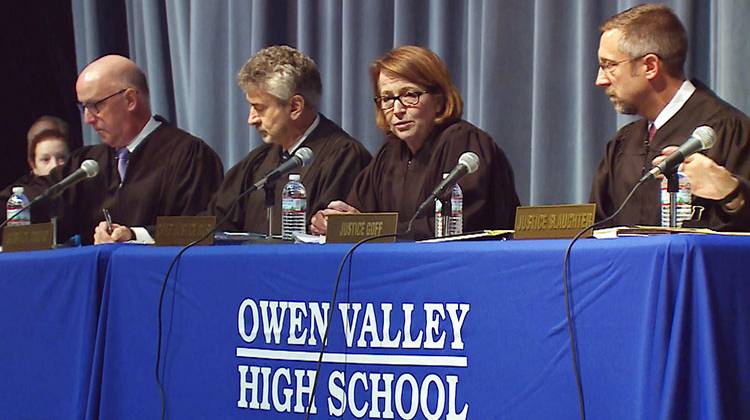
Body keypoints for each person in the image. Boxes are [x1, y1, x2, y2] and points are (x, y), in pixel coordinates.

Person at [0, 55, 224, 244]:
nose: (87, 119)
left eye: (95, 105)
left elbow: (201, 229)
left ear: (129, 100)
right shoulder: (88, 163)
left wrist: (135, 235)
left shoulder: (188, 155)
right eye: (83, 107)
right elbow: (37, 194)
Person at [310, 45, 520, 239]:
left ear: (438, 100)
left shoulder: (464, 143)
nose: (398, 109)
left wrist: (373, 229)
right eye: (387, 99)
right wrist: (334, 221)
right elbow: (358, 213)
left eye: (409, 95)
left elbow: (457, 227)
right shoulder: (390, 152)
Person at [590, 3, 750, 229]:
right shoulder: (623, 143)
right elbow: (596, 230)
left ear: (650, 66)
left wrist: (732, 194)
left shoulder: (727, 130)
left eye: (610, 65)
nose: (600, 80)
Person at [204, 45, 371, 235]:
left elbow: (329, 234)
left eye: (259, 108)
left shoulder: (345, 157)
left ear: (294, 107)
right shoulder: (257, 161)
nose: (251, 120)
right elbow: (217, 221)